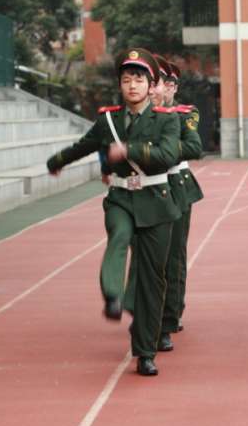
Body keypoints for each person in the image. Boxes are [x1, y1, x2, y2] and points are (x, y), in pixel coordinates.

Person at [46, 48, 181, 377]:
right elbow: (84, 145)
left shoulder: (167, 119)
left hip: (157, 201)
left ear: (151, 85)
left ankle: (145, 351)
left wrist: (129, 149)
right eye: (126, 79)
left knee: (151, 281)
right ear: (119, 85)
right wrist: (57, 161)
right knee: (119, 235)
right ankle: (112, 296)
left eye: (139, 79)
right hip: (121, 197)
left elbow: (167, 155)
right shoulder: (108, 120)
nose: (132, 85)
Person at [159, 59, 204, 349]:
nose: (158, 88)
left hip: (176, 185)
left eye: (164, 83)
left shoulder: (185, 113)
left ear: (173, 87)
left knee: (174, 255)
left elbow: (191, 147)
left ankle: (171, 313)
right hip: (145, 189)